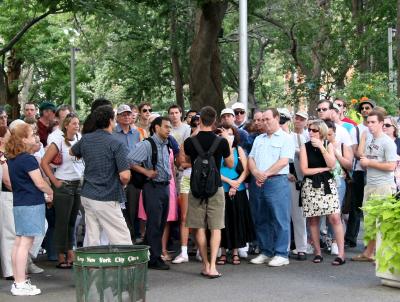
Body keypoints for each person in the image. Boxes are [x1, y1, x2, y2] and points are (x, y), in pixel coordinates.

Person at [70, 105, 132, 246]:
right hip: (107, 195)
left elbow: (72, 152)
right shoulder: (117, 143)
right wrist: (123, 183)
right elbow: (125, 176)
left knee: (92, 236)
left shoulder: (86, 139)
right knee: (122, 236)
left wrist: (85, 155)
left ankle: (92, 267)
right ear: (111, 120)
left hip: (87, 194)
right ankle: (126, 266)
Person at [184, 106, 233, 278]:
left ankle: (205, 264)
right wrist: (227, 140)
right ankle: (213, 266)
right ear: (214, 121)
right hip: (216, 187)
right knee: (216, 227)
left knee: (198, 227)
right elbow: (230, 164)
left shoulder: (191, 142)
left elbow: (185, 159)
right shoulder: (221, 142)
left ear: (199, 120)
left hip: (196, 188)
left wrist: (195, 132)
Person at [6, 123, 53, 296]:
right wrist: (51, 191)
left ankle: (20, 281)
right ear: (24, 139)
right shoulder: (27, 159)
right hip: (31, 204)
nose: (35, 136)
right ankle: (19, 283)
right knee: (24, 244)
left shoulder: (13, 158)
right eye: (32, 134)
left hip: (20, 203)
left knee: (19, 243)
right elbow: (39, 183)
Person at [248, 108, 294, 267]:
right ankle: (266, 251)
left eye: (268, 119)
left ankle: (282, 253)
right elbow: (251, 158)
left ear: (276, 118)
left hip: (276, 182)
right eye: (262, 119)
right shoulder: (259, 139)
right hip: (258, 182)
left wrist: (265, 174)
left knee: (280, 218)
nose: (264, 122)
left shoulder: (286, 138)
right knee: (261, 217)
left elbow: (284, 161)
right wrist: (255, 172)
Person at [352, 110, 397, 262]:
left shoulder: (387, 142)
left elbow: (391, 166)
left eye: (373, 122)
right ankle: (369, 253)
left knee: (382, 222)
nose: (369, 125)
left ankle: (382, 256)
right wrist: (364, 138)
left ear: (381, 123)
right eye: (368, 122)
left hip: (383, 186)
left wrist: (370, 163)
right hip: (370, 184)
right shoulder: (371, 139)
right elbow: (362, 157)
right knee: (370, 221)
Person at [299, 119, 346, 265]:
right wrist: (323, 169)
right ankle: (318, 252)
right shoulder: (304, 147)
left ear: (322, 132)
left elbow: (332, 164)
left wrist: (322, 147)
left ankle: (341, 254)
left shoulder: (328, 145)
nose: (311, 132)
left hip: (327, 185)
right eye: (310, 130)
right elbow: (305, 170)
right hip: (311, 185)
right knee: (313, 219)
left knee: (335, 218)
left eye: (315, 130)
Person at [41, 113, 84, 268]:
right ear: (66, 125)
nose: (76, 126)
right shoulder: (58, 141)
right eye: (73, 123)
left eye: (78, 123)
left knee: (73, 222)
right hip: (63, 185)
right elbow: (44, 162)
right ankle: (60, 255)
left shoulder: (79, 138)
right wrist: (55, 182)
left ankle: (70, 251)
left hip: (77, 185)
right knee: (62, 222)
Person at [130, 117, 172, 270]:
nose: (169, 129)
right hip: (153, 187)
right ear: (156, 128)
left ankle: (147, 254)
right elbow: (129, 160)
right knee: (155, 223)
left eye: (170, 127)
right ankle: (154, 258)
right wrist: (146, 171)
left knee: (160, 223)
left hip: (165, 187)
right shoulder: (148, 144)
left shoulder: (166, 144)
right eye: (166, 127)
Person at [217, 125, 254, 265]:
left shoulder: (239, 150)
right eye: (224, 134)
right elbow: (214, 170)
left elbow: (246, 170)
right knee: (222, 222)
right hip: (221, 190)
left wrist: (236, 183)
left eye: (230, 134)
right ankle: (222, 252)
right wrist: (229, 182)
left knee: (236, 221)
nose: (227, 137)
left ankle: (235, 252)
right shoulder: (217, 151)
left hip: (238, 191)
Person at [345, 98, 375, 248]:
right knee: (356, 206)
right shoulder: (356, 129)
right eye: (362, 108)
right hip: (359, 171)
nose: (364, 110)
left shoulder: (378, 128)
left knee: (372, 207)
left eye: (367, 107)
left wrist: (371, 162)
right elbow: (355, 150)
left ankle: (371, 243)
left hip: (375, 173)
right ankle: (351, 238)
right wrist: (366, 160)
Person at [113, 104, 141, 242]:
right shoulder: (112, 133)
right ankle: (126, 237)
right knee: (120, 207)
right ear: (117, 117)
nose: (126, 117)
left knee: (133, 206)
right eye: (123, 114)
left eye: (128, 114)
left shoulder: (136, 133)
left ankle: (133, 235)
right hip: (118, 174)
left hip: (134, 174)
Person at [325, 120, 353, 256]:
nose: (328, 137)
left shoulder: (342, 146)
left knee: (336, 213)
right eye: (325, 134)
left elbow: (349, 165)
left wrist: (336, 154)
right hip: (322, 181)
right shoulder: (320, 145)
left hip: (338, 181)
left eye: (330, 134)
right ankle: (328, 239)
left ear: (334, 133)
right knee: (325, 214)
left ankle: (336, 241)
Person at [288, 111, 309, 260]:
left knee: (300, 216)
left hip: (304, 180)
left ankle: (302, 247)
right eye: (297, 118)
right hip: (289, 178)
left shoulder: (309, 136)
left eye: (302, 119)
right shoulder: (287, 136)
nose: (298, 121)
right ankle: (285, 246)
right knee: (284, 215)